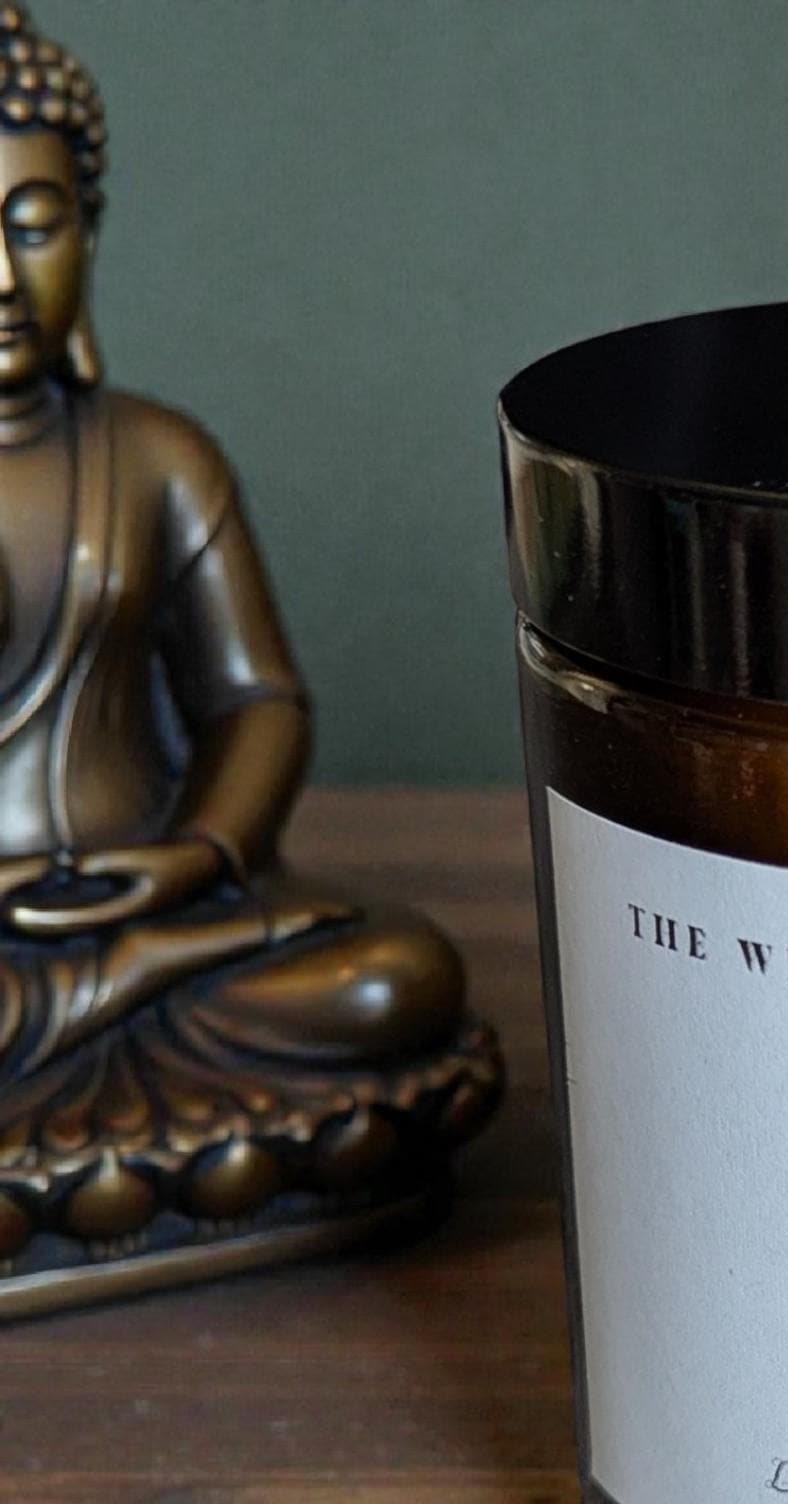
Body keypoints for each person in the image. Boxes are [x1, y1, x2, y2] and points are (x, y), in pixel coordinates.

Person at [0, 3, 465, 1085]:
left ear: (88, 234)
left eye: (34, 225)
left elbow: (256, 700)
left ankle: (134, 985)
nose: (6, 280)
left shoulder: (159, 458)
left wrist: (197, 853)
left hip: (155, 908)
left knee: (390, 979)